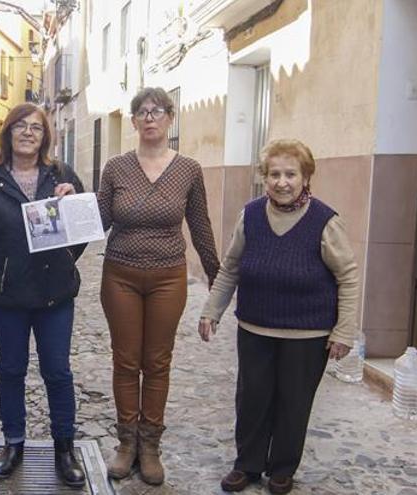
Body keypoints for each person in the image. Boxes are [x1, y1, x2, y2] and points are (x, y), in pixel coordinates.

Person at [199, 139, 360, 494]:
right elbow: (231, 268)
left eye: (290, 174)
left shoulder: (324, 220)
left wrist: (343, 331)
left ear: (306, 178)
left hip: (308, 333)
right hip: (255, 327)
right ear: (264, 178)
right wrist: (212, 311)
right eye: (274, 174)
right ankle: (247, 465)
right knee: (252, 398)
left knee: (294, 403)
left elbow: (347, 276)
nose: (282, 182)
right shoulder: (252, 215)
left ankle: (283, 469)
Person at [97, 87, 220, 485]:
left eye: (157, 111)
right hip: (120, 275)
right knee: (126, 360)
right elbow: (97, 221)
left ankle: (150, 446)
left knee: (157, 361)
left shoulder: (188, 169)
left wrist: (217, 275)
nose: (149, 117)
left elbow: (200, 225)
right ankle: (126, 443)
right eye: (141, 112)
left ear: (170, 117)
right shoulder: (115, 167)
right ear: (133, 121)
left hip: (169, 276)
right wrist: (64, 204)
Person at [0, 103, 87, 488]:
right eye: (21, 126)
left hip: (55, 295)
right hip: (8, 298)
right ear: (8, 133)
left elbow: (82, 230)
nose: (29, 132)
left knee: (58, 372)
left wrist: (72, 201)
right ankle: (13, 443)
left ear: (45, 135)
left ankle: (64, 447)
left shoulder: (62, 176)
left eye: (36, 127)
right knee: (11, 371)